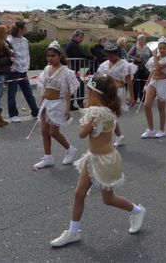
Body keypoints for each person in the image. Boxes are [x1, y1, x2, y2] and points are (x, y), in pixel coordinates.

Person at [50, 74, 145, 248]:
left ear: (97, 94)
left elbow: (81, 134)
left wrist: (90, 120)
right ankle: (73, 231)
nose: (87, 96)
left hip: (105, 160)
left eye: (89, 93)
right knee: (79, 193)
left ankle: (137, 210)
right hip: (93, 157)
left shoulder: (98, 113)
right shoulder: (106, 110)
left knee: (108, 199)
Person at [33, 41, 80, 170]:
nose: (50, 58)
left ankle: (69, 149)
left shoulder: (66, 72)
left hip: (58, 104)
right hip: (46, 104)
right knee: (44, 131)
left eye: (53, 55)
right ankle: (48, 157)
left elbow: (68, 92)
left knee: (53, 132)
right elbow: (44, 88)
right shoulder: (46, 70)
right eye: (48, 55)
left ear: (60, 56)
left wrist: (68, 108)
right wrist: (42, 104)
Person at [96, 42, 137, 147]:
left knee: (109, 115)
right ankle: (119, 136)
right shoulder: (104, 65)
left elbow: (129, 82)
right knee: (107, 116)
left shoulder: (124, 65)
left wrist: (131, 97)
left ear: (116, 53)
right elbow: (99, 79)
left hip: (118, 93)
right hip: (106, 92)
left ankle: (111, 137)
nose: (109, 58)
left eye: (111, 56)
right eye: (107, 56)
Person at [141, 36, 166, 139]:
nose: (162, 50)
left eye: (164, 48)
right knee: (146, 105)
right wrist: (146, 84)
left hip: (163, 83)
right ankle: (151, 130)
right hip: (153, 82)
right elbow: (152, 71)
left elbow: (158, 67)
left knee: (161, 107)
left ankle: (161, 130)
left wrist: (154, 55)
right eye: (160, 48)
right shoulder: (155, 58)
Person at [6, 20, 40, 123]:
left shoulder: (25, 40)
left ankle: (35, 112)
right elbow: (8, 55)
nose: (27, 29)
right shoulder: (9, 40)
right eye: (25, 27)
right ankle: (13, 115)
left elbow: (27, 54)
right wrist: (12, 66)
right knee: (12, 94)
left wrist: (27, 65)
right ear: (20, 29)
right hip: (14, 71)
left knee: (28, 93)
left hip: (23, 70)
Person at [64, 30, 93, 110]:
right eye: (80, 37)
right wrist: (90, 57)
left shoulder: (74, 44)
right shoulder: (73, 44)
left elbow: (80, 53)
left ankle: (73, 103)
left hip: (74, 69)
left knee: (76, 85)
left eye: (82, 38)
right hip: (72, 69)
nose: (81, 39)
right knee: (78, 85)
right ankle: (76, 103)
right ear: (75, 36)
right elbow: (79, 54)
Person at [128, 34, 151, 104]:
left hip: (146, 69)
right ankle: (134, 99)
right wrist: (135, 59)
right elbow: (128, 55)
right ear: (138, 40)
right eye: (142, 39)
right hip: (137, 68)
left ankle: (143, 99)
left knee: (144, 84)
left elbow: (152, 55)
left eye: (144, 39)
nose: (144, 40)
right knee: (136, 84)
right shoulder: (135, 47)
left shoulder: (147, 48)